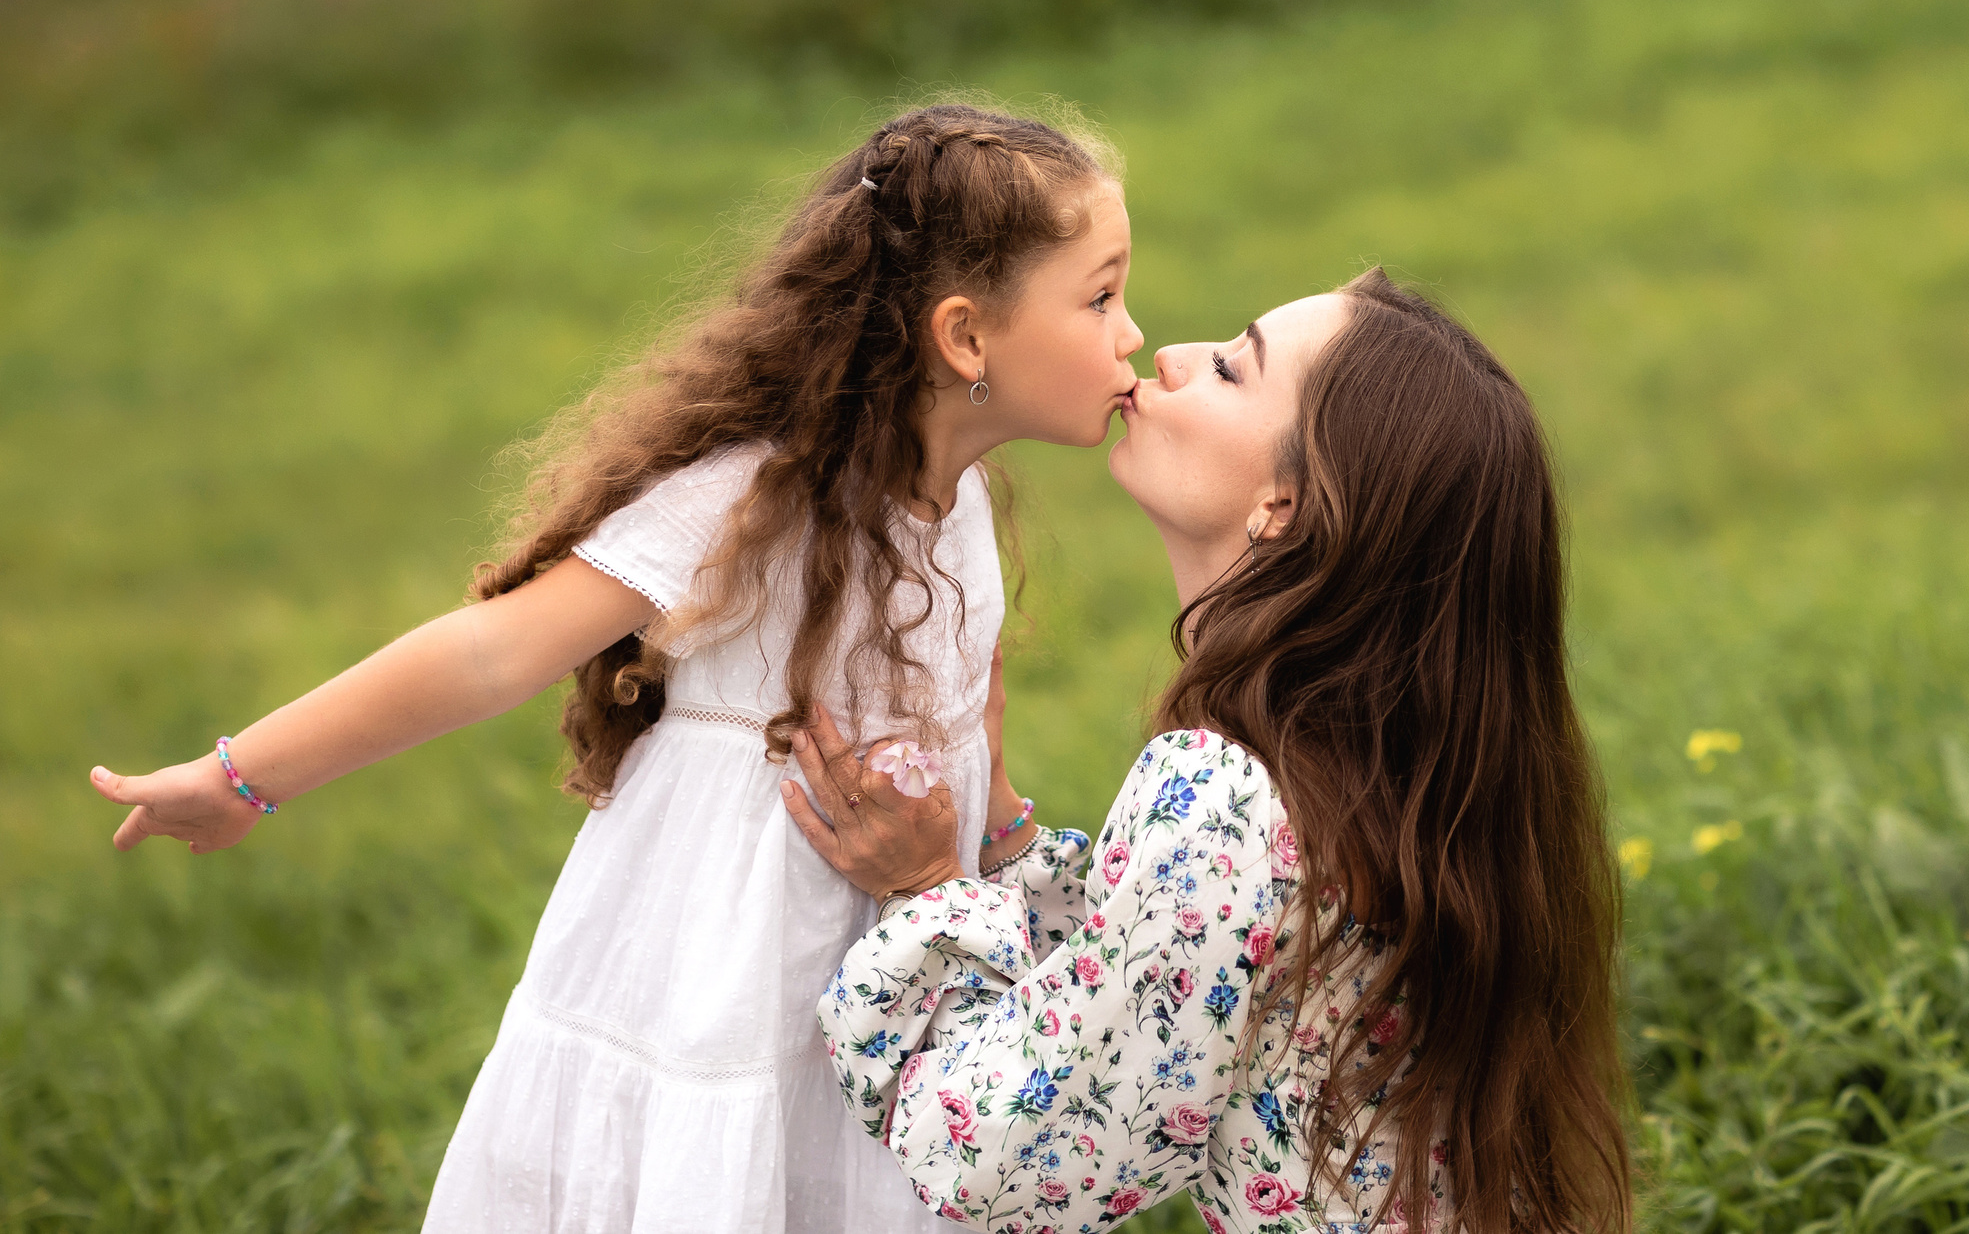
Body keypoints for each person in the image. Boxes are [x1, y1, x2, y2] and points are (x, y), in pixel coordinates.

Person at [85, 103, 1145, 1234]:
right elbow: (495, 649)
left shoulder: (963, 503)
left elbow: (966, 697)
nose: (1132, 334)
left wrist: (990, 849)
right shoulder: (755, 496)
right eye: (1100, 297)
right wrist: (245, 776)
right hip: (721, 967)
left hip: (893, 977)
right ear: (966, 339)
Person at [783, 270, 1631, 1234]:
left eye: (1230, 369)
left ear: (1288, 505)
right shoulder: (1381, 767)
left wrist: (929, 891)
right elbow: (1169, 996)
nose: (1169, 356)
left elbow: (1001, 1160)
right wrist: (1001, 824)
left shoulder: (1225, 787)